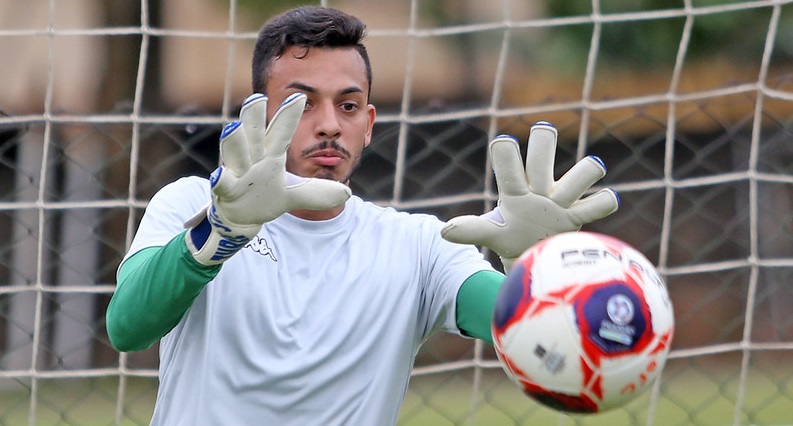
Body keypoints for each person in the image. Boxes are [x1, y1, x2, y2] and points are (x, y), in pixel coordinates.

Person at [106, 5, 619, 425]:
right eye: (303, 104)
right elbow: (127, 327)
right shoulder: (192, 203)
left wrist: (535, 270)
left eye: (348, 106)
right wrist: (220, 234)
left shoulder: (419, 244)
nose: (329, 124)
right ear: (259, 112)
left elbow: (539, 345)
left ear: (369, 123)